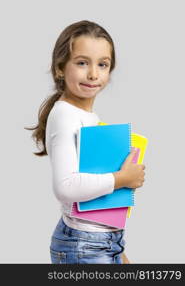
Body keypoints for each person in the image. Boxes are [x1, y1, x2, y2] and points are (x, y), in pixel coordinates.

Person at [26, 20, 146, 264]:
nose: (93, 74)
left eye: (103, 64)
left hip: (101, 242)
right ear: (60, 68)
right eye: (82, 63)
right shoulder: (65, 115)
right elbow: (66, 187)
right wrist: (122, 178)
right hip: (85, 246)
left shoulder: (88, 117)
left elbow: (93, 201)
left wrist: (118, 250)